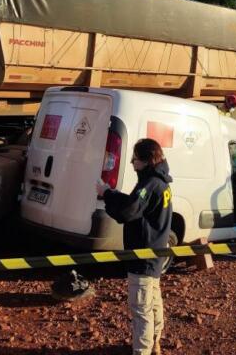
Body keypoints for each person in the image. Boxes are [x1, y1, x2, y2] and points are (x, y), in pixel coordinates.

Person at [96, 138, 173, 355]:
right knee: (153, 300)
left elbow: (128, 211)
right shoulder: (160, 181)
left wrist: (106, 194)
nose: (132, 163)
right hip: (155, 254)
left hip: (143, 256)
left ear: (147, 160)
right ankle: (155, 341)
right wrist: (110, 194)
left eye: (135, 159)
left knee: (141, 309)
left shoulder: (149, 183)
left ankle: (143, 350)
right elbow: (136, 204)